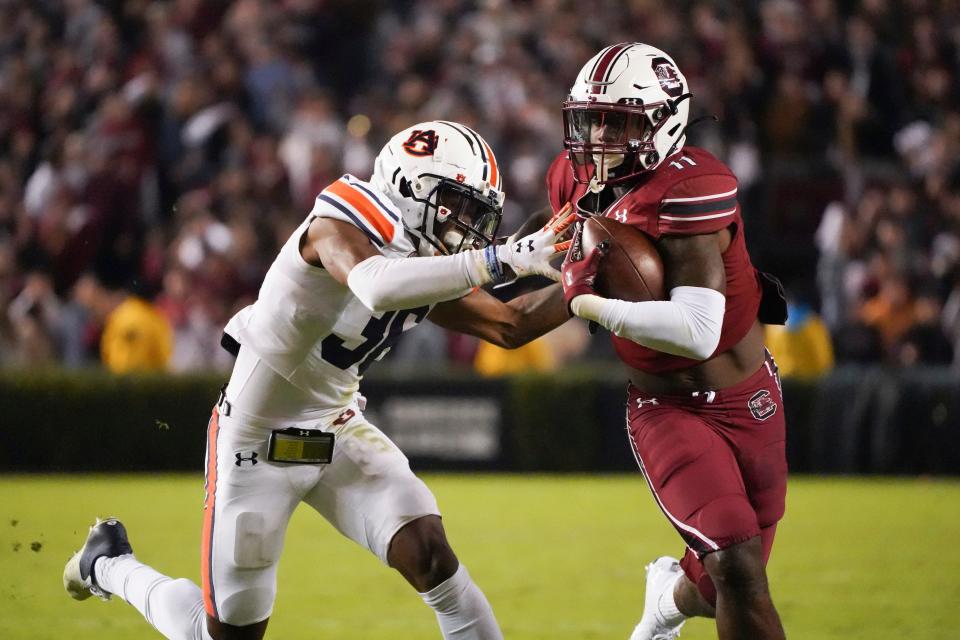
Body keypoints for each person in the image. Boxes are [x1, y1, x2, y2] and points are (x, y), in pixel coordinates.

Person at [64, 120, 574, 640]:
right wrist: (498, 259)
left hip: (338, 427)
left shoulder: (426, 262)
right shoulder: (343, 211)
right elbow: (375, 284)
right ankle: (108, 565)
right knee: (224, 636)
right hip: (257, 440)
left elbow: (512, 324)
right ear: (410, 188)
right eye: (458, 206)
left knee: (431, 556)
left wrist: (590, 277)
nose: (468, 224)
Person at [555, 44, 789, 640]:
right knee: (736, 564)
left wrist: (587, 302)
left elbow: (697, 331)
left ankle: (666, 601)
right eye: (592, 119)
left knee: (722, 584)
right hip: (665, 407)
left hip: (748, 394)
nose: (599, 136)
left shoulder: (692, 185)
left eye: (620, 121)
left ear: (665, 121)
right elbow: (563, 267)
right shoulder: (573, 180)